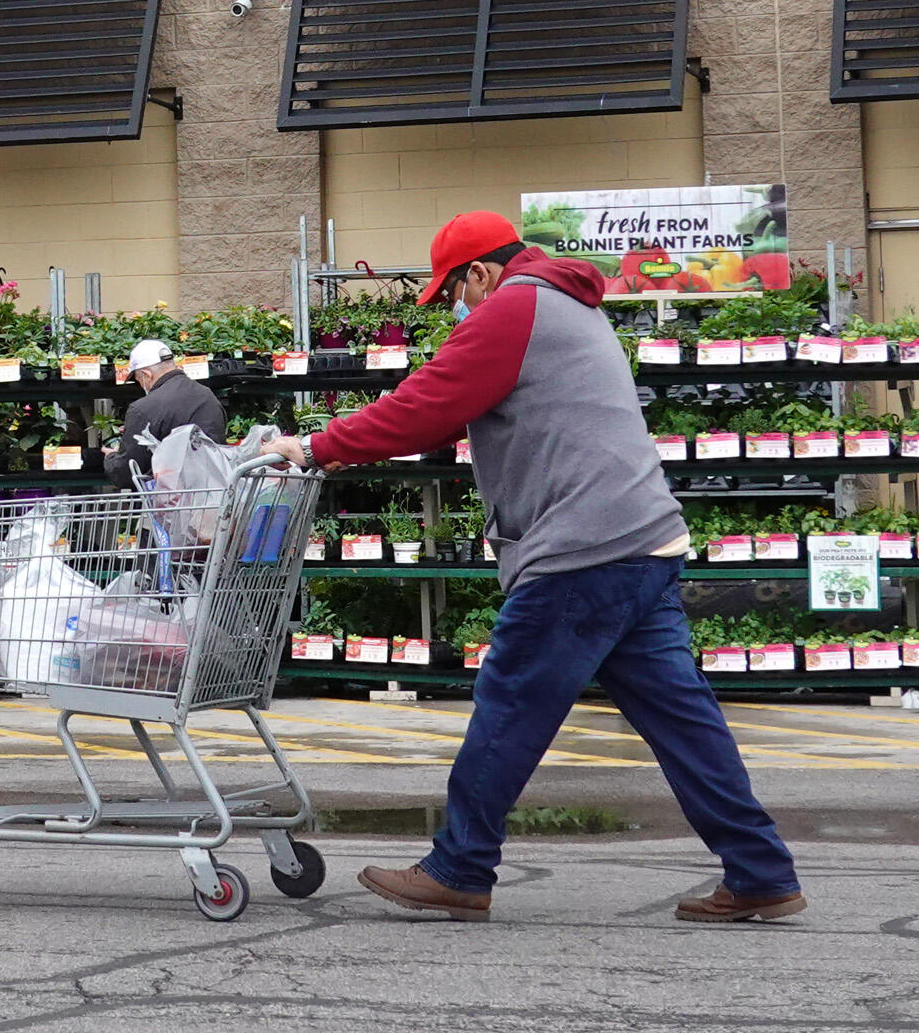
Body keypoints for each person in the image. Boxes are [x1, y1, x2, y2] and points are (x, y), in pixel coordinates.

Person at [274, 210, 804, 925]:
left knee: (510, 705)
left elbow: (422, 408)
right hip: (641, 540)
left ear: (481, 273)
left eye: (453, 293)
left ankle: (459, 867)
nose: (454, 310)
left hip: (581, 552)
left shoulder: (513, 307)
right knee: (684, 722)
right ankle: (762, 871)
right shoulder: (568, 304)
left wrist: (314, 447)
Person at [113, 337, 224, 486]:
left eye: (139, 380)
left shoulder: (143, 408)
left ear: (147, 374)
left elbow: (127, 473)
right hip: (211, 493)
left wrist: (111, 457)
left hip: (169, 500)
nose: (141, 386)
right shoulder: (207, 396)